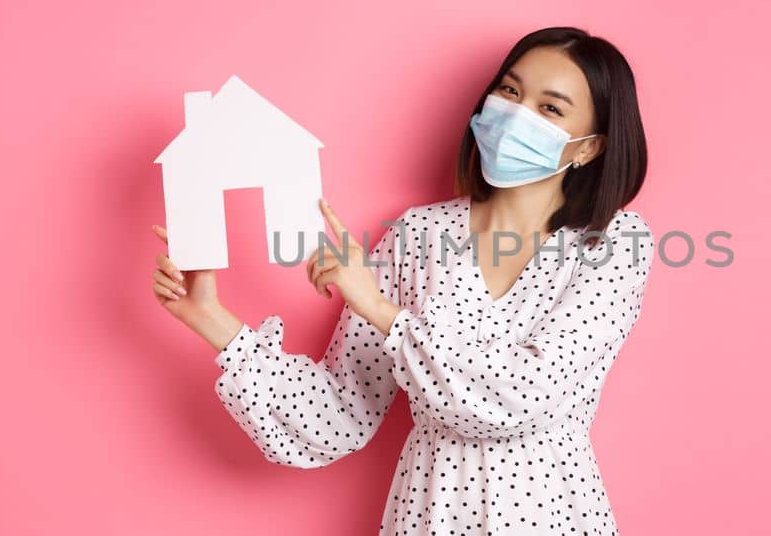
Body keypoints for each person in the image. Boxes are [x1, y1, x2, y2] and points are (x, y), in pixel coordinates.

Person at [149, 26, 652, 535]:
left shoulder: (614, 243)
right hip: (429, 513)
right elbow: (339, 413)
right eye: (511, 91)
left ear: (589, 147)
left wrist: (379, 308)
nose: (518, 115)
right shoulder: (419, 234)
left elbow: (523, 397)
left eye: (551, 109)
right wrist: (211, 317)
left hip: (553, 515)